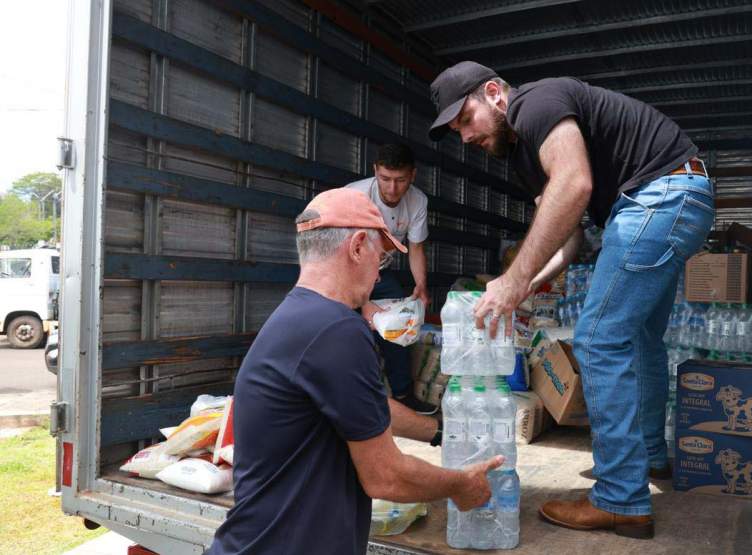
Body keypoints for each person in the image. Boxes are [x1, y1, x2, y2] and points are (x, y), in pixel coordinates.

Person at [428, 61, 715, 539]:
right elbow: (570, 236)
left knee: (598, 340)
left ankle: (621, 498)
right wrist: (527, 283)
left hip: (658, 196)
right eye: (456, 130)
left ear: (494, 93)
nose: (465, 136)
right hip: (679, 195)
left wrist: (513, 279)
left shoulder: (534, 104)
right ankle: (648, 457)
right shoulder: (524, 154)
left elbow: (575, 184)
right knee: (639, 338)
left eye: (465, 119)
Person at [207, 188, 503, 555]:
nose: (378, 276)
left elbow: (363, 404)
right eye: (381, 258)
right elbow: (386, 477)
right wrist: (460, 485)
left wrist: (440, 432)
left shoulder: (299, 318)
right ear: (358, 246)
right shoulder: (337, 330)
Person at [346, 144, 436, 415]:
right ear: (375, 171)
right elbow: (346, 256)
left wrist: (421, 285)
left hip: (380, 272)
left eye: (400, 180)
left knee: (399, 325)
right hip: (344, 272)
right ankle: (350, 400)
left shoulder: (418, 201)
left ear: (413, 175)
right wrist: (365, 305)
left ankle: (403, 395)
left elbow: (416, 247)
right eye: (385, 179)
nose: (393, 189)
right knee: (348, 331)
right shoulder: (355, 197)